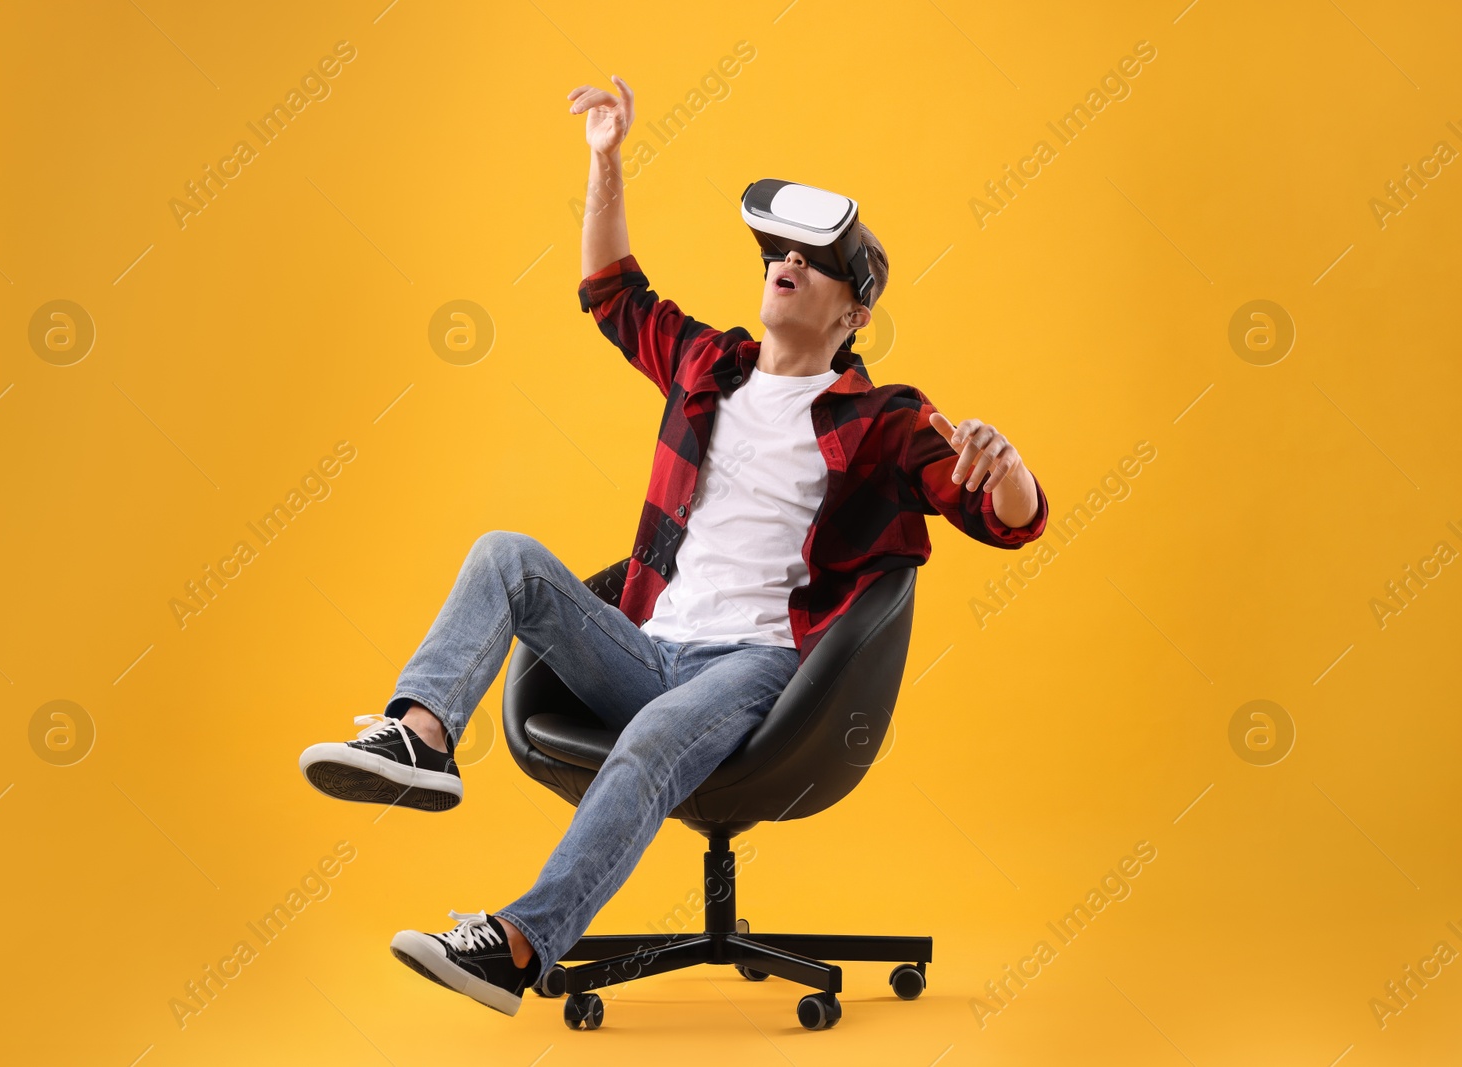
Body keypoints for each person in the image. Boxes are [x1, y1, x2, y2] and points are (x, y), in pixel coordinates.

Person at [297, 74, 1050, 1017]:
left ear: (854, 313)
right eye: (777, 249)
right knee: (505, 554)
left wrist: (1004, 461)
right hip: (649, 646)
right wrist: (605, 159)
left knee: (653, 735)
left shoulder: (885, 418)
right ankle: (423, 738)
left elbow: (1009, 517)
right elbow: (611, 291)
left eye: (812, 260)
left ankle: (518, 943)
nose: (785, 261)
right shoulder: (707, 365)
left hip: (764, 672)